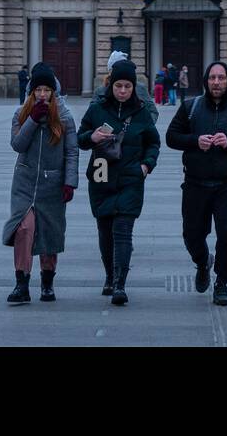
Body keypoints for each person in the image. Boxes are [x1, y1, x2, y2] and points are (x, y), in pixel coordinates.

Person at [165, 61, 227, 306]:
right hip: (195, 183)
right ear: (206, 81)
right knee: (192, 235)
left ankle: (222, 283)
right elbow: (171, 137)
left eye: (221, 78)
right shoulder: (190, 108)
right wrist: (196, 141)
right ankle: (203, 261)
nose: (217, 82)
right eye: (213, 78)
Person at [76, 57, 160, 306]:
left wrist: (147, 166)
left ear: (134, 88)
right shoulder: (97, 109)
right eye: (118, 86)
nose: (123, 91)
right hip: (101, 177)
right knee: (105, 232)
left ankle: (120, 284)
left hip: (131, 178)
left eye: (127, 86)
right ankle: (109, 276)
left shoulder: (142, 112)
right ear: (110, 85)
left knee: (123, 230)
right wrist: (92, 136)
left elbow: (153, 142)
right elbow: (80, 139)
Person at [4, 63, 79, 305]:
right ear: (32, 92)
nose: (43, 95)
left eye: (47, 90)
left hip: (52, 184)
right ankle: (21, 284)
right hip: (25, 183)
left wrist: (70, 182)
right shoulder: (21, 114)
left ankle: (47, 283)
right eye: (39, 90)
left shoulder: (65, 117)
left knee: (49, 233)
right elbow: (18, 145)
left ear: (54, 92)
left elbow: (72, 152)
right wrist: (33, 120)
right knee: (24, 230)